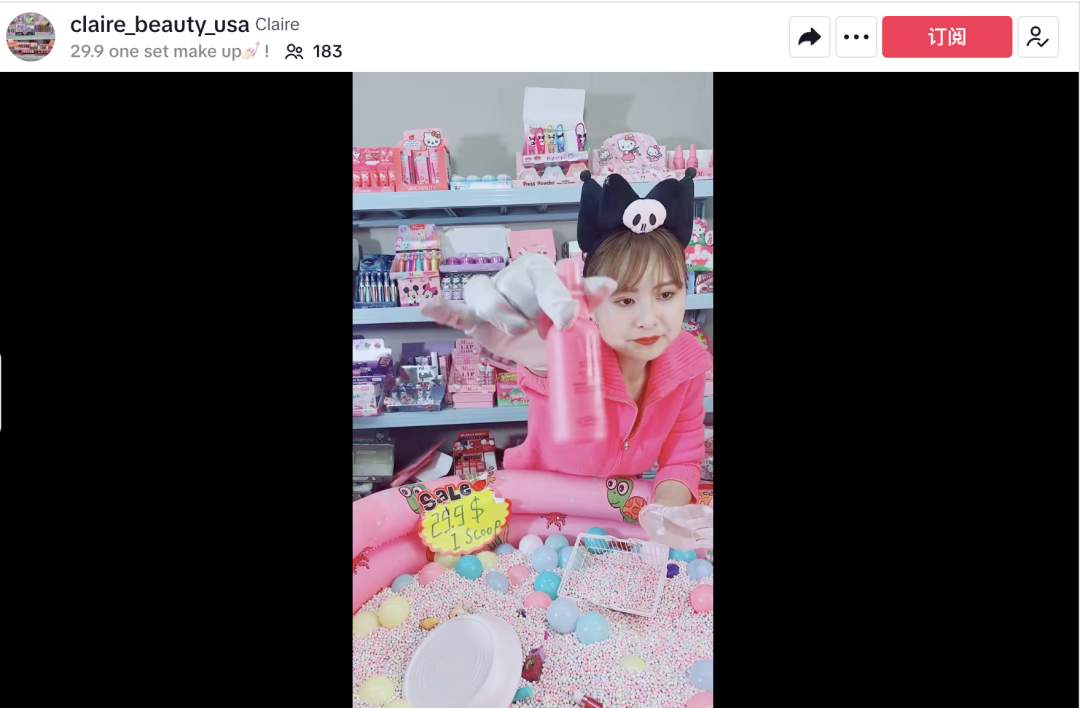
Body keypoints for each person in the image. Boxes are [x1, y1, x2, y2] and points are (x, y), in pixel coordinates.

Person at [421, 169, 711, 549]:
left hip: (615, 510)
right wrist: (540, 351)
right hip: (535, 511)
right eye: (625, 300)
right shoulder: (576, 348)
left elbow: (682, 454)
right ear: (593, 302)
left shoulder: (689, 362)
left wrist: (667, 515)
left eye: (666, 295)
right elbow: (544, 369)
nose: (648, 319)